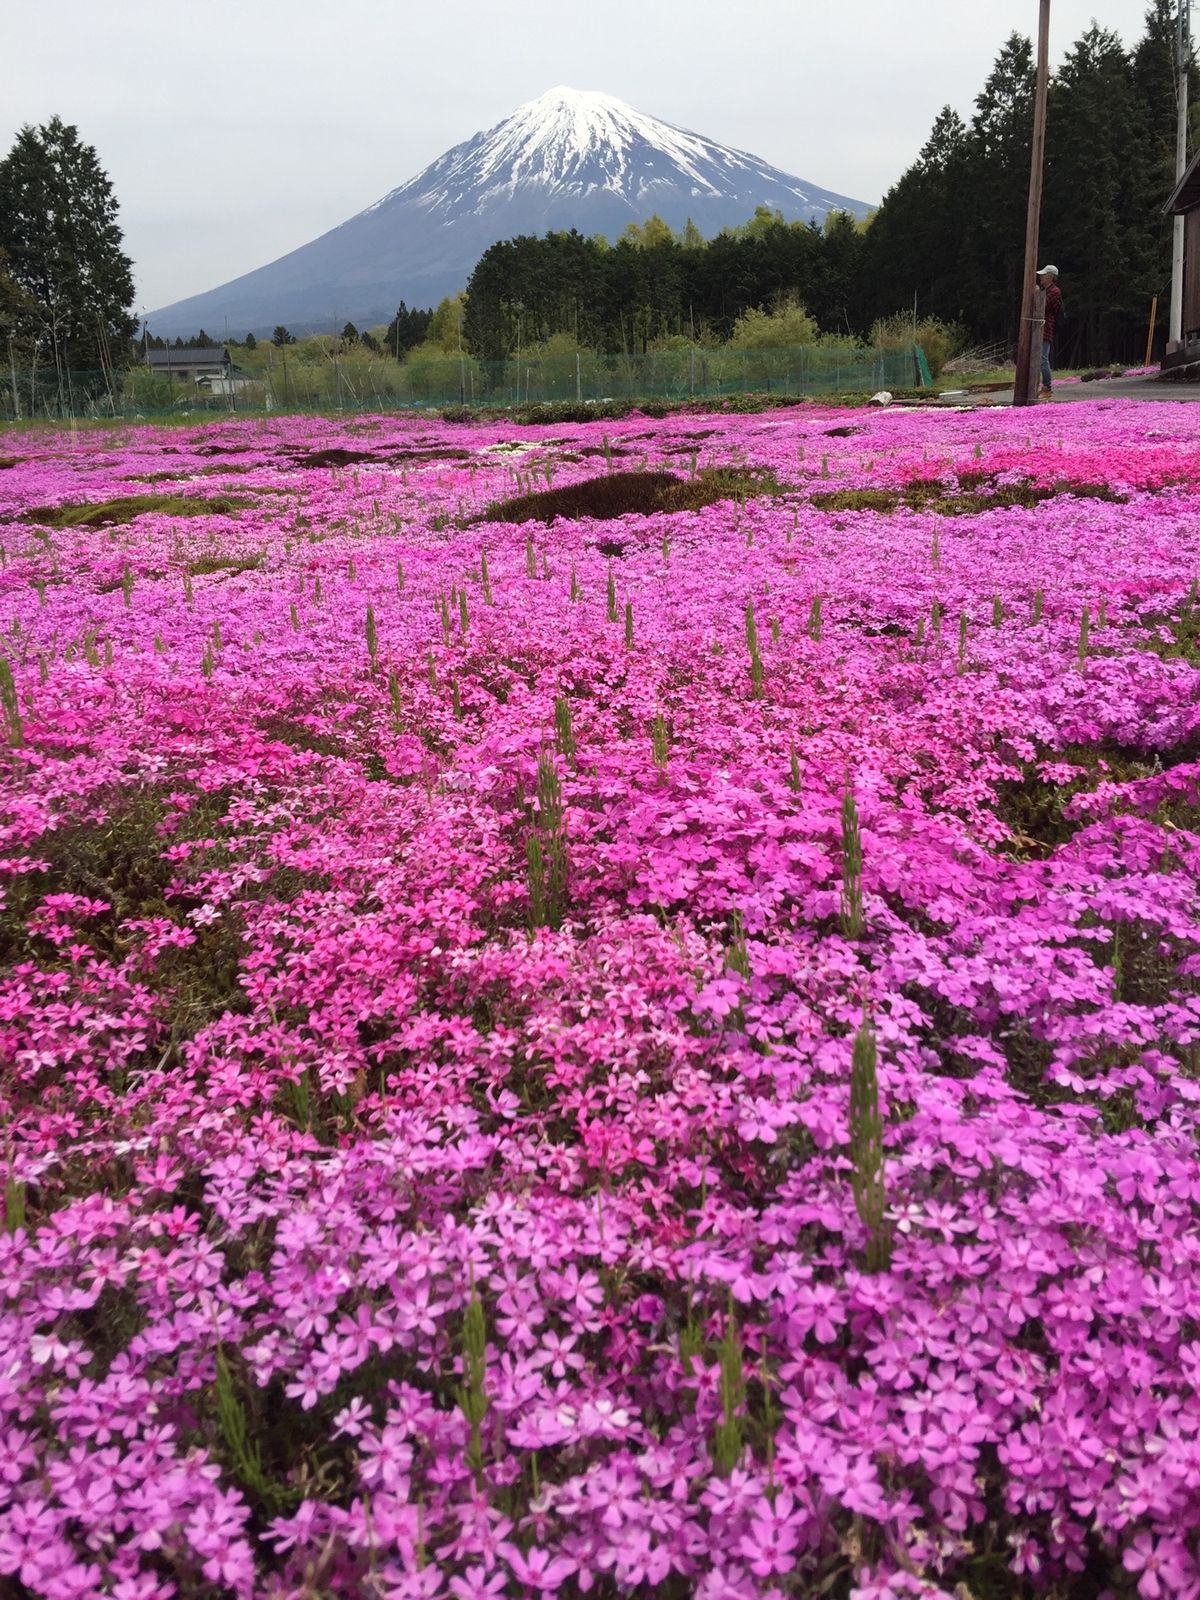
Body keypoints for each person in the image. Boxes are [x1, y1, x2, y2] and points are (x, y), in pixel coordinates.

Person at [1037, 265, 1063, 398]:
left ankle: (1047, 386)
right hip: (1039, 327)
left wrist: (1037, 294)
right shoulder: (1047, 290)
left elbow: (1044, 306)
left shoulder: (1055, 291)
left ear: (1050, 277)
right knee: (1039, 358)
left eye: (1044, 275)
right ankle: (1042, 386)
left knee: (1043, 358)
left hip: (1046, 327)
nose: (1041, 277)